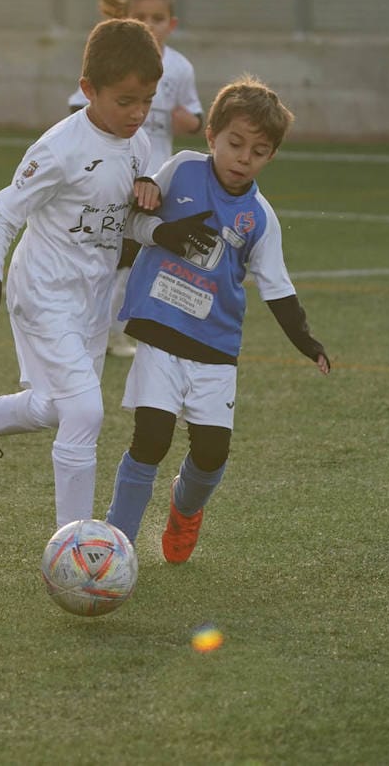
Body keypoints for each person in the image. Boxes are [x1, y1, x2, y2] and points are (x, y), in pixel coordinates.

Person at [103, 76, 330, 561]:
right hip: (161, 332)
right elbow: (133, 221)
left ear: (271, 157)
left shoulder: (260, 217)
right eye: (235, 144)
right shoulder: (182, 169)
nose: (243, 158)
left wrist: (307, 340)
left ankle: (185, 512)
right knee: (151, 439)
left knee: (210, 454)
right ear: (211, 136)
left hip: (214, 346)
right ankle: (114, 545)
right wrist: (163, 233)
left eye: (259, 151)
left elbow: (277, 285)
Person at [0, 18, 163, 528]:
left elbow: (122, 217)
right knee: (86, 412)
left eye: (148, 101)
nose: (138, 113)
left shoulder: (138, 145)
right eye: (125, 101)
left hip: (93, 299)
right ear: (88, 90)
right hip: (44, 292)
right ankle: (75, 546)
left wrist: (154, 216)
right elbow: (3, 215)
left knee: (57, 407)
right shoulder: (57, 149)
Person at [67, 0, 204, 358]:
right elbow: (79, 107)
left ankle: (112, 329)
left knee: (136, 257)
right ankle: (91, 326)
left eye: (157, 18)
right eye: (140, 17)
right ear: (125, 19)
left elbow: (196, 115)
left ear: (171, 25)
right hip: (113, 175)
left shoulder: (178, 67)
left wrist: (189, 121)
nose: (149, 24)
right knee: (106, 253)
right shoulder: (109, 64)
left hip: (157, 179)